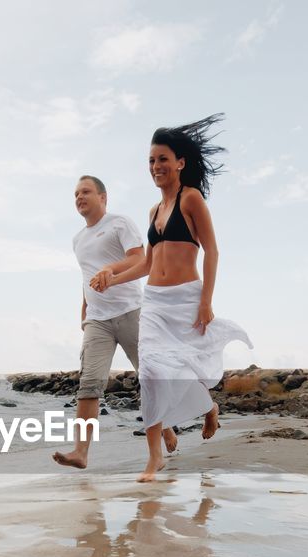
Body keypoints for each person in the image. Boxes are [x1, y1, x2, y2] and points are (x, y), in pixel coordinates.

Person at [90, 114, 252, 482]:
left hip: (186, 299)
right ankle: (154, 457)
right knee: (150, 372)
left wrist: (206, 300)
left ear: (180, 162)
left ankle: (209, 407)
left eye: (162, 158)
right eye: (151, 160)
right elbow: (147, 264)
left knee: (182, 369)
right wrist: (113, 277)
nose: (156, 166)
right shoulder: (153, 211)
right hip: (156, 303)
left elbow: (212, 251)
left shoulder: (191, 198)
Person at [53, 175, 174, 469]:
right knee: (89, 383)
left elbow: (139, 260)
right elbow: (87, 276)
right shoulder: (77, 240)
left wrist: (110, 269)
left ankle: (167, 427)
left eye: (85, 192)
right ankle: (80, 452)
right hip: (97, 320)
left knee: (150, 378)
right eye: (75, 194)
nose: (79, 197)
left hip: (131, 311)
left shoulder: (120, 223)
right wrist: (84, 308)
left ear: (103, 197)